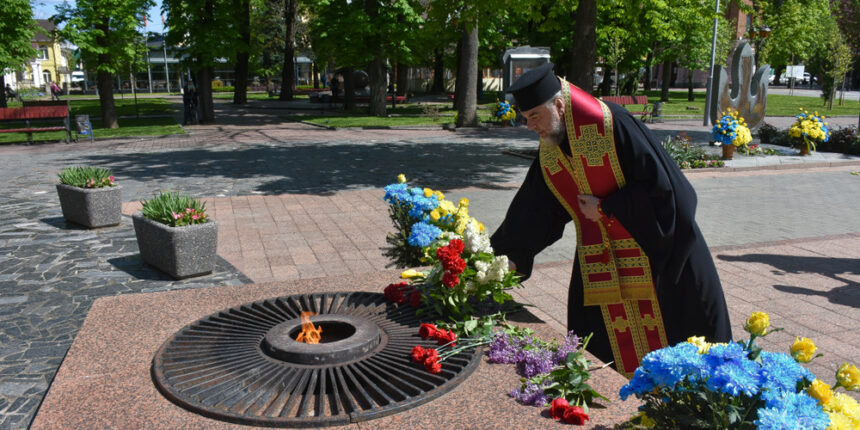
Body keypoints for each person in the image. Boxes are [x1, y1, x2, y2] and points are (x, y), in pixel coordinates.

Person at [490, 63, 732, 377]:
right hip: (602, 263)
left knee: (691, 349)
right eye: (526, 119)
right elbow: (534, 208)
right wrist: (500, 258)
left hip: (660, 255)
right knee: (598, 349)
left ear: (560, 105)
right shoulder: (552, 148)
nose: (530, 126)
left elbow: (672, 193)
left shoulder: (614, 125)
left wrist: (608, 206)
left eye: (535, 115)